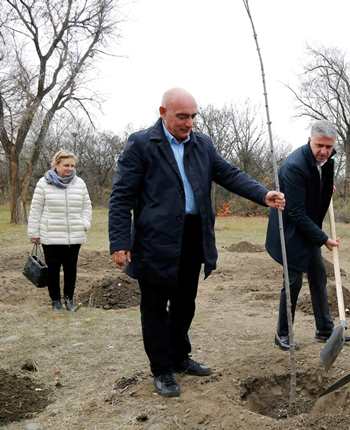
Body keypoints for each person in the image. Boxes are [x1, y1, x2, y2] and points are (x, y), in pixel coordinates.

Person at [108, 88, 285, 398]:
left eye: (192, 116)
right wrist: (120, 241)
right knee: (154, 308)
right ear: (163, 112)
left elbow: (229, 174)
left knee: (184, 304)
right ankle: (162, 369)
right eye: (182, 117)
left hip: (193, 236)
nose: (189, 123)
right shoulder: (141, 144)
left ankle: (179, 357)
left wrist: (262, 194)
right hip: (154, 241)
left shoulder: (202, 144)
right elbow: (121, 196)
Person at [266, 119, 350, 351]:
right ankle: (282, 334)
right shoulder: (294, 166)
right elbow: (295, 212)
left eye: (329, 146)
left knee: (318, 276)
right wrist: (324, 239)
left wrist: (326, 185)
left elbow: (317, 184)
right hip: (290, 231)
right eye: (319, 146)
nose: (324, 152)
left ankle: (325, 330)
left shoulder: (327, 161)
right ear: (309, 141)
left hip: (308, 228)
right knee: (293, 282)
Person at [27, 150, 92, 311]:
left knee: (71, 270)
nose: (69, 168)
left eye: (72, 165)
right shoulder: (43, 183)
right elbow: (36, 209)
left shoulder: (80, 183)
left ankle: (69, 300)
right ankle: (55, 301)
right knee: (53, 271)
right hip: (51, 236)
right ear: (56, 165)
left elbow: (87, 206)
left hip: (74, 237)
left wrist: (84, 223)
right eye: (66, 165)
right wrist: (34, 233)